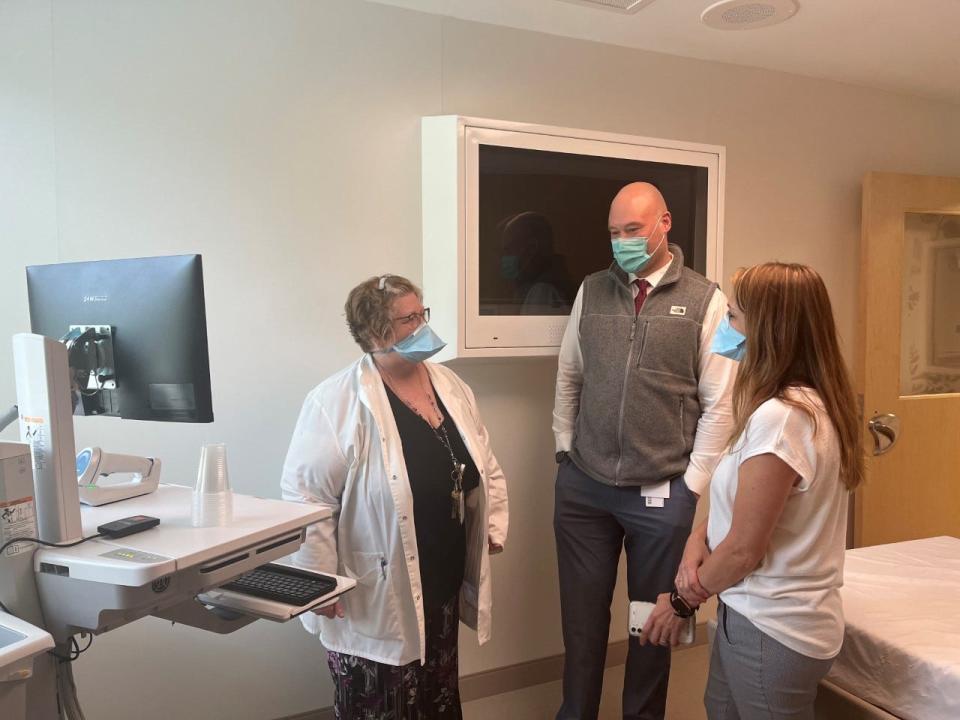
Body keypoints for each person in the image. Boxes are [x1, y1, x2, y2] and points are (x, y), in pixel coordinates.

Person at [281, 274, 508, 720]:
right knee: (382, 703)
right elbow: (306, 498)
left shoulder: (449, 386)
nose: (423, 324)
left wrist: (493, 526)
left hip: (440, 581)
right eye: (410, 318)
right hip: (376, 592)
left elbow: (485, 460)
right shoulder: (336, 402)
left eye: (422, 313)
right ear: (375, 333)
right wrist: (318, 581)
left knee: (436, 697)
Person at [552, 182, 737, 720]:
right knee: (582, 625)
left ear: (664, 224)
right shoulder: (592, 290)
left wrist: (691, 489)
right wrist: (565, 449)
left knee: (651, 626)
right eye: (614, 233)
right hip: (584, 489)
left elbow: (720, 404)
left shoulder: (709, 300)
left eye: (633, 230)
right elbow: (569, 376)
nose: (622, 242)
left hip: (661, 491)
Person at [659, 262, 864, 720]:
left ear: (770, 330)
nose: (726, 328)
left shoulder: (783, 418)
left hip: (773, 629)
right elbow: (744, 503)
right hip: (751, 618)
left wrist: (680, 602)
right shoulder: (806, 404)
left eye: (733, 316)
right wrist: (698, 538)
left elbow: (744, 550)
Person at [498, 211, 575, 314]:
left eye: (508, 250)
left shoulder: (542, 293)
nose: (503, 258)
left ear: (531, 248)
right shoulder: (538, 289)